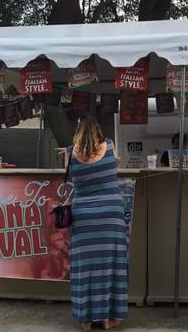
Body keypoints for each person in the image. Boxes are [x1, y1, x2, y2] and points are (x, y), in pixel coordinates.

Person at [66, 116, 128, 331]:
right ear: (98, 130)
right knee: (112, 265)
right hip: (111, 213)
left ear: (78, 132)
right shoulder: (110, 145)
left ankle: (87, 319)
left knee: (85, 267)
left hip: (83, 214)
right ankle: (110, 318)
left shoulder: (69, 153)